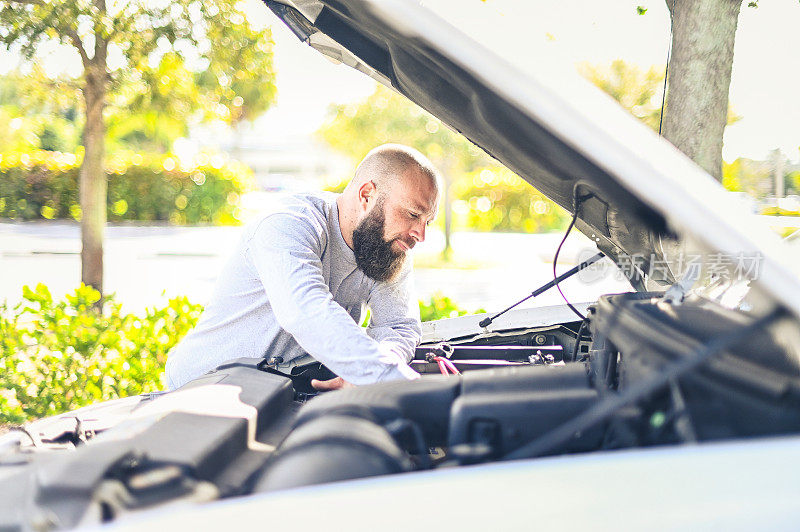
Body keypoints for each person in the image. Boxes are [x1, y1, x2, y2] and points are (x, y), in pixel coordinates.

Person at [164, 144, 441, 391]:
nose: (420, 234)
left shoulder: (388, 246)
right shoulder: (289, 224)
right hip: (198, 390)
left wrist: (373, 364)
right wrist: (384, 376)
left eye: (427, 220)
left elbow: (398, 325)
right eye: (413, 214)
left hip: (273, 395)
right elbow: (307, 311)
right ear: (367, 195)